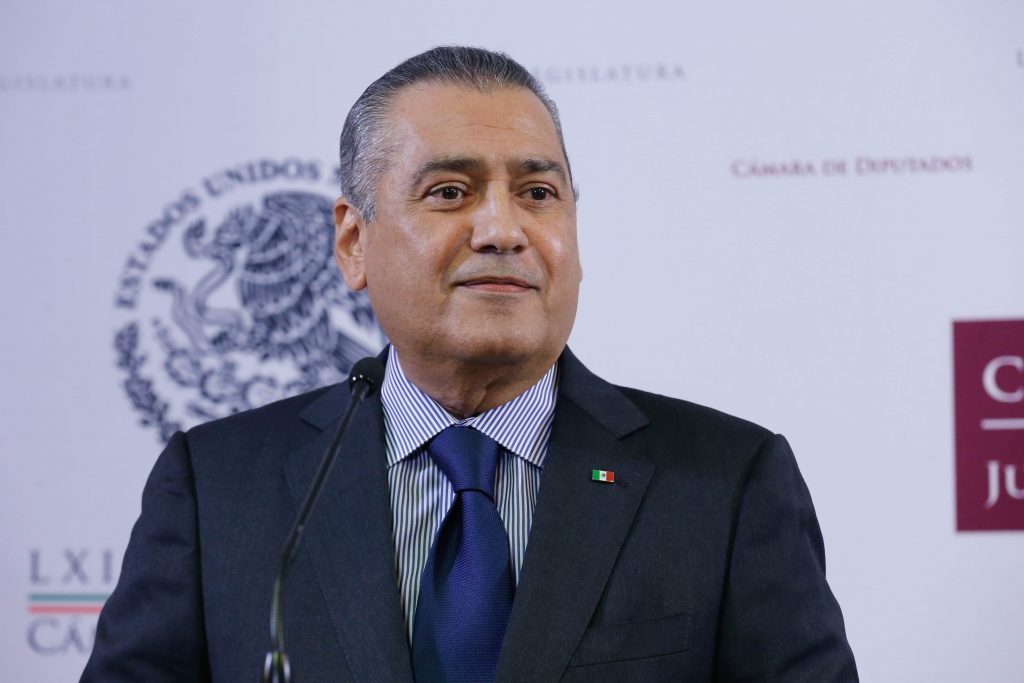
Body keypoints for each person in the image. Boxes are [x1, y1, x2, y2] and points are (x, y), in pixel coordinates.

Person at [82, 46, 858, 682]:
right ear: (353, 243)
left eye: (538, 192)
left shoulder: (726, 483)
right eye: (451, 191)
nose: (503, 230)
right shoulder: (218, 487)